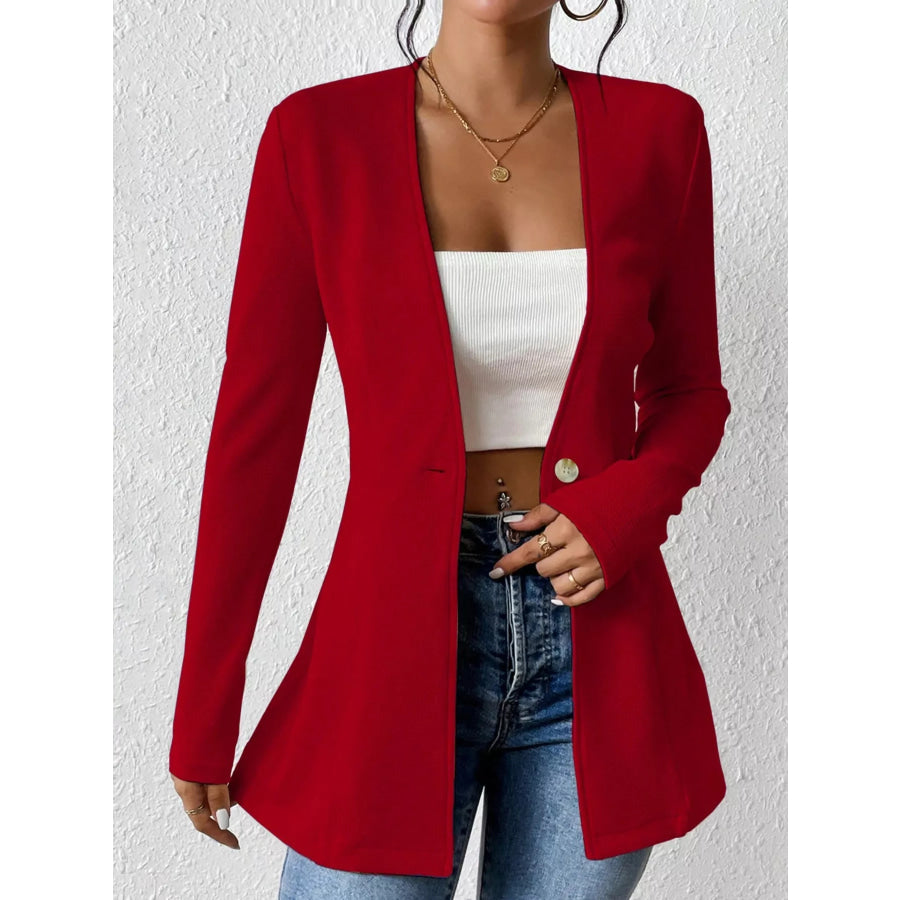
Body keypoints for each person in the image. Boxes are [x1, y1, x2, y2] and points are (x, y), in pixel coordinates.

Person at [169, 2, 732, 898]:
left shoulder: (662, 131)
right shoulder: (316, 136)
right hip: (388, 645)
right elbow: (255, 439)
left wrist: (625, 507)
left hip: (597, 637)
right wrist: (205, 710)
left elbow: (688, 392)